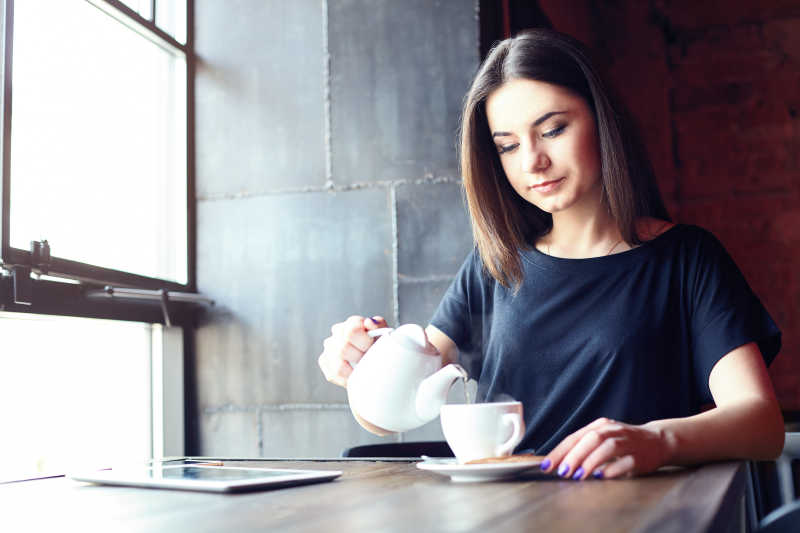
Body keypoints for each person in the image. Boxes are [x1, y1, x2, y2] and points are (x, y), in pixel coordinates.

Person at [318, 28, 784, 480]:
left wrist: (655, 441)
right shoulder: (496, 265)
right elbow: (391, 412)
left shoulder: (685, 259)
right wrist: (360, 367)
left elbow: (761, 423)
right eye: (508, 146)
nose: (531, 162)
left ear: (603, 121)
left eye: (553, 129)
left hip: (635, 513)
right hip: (506, 516)